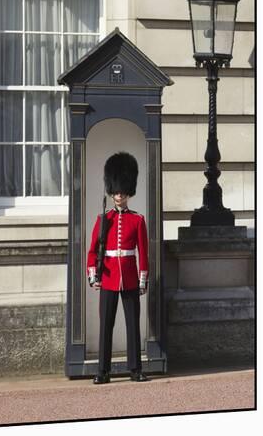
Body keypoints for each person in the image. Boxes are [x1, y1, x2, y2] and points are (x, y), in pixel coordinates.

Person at [87, 151, 149, 384]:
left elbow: (143, 251)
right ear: (111, 191)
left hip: (131, 277)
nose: (119, 195)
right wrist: (94, 276)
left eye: (122, 191)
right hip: (109, 277)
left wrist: (143, 279)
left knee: (133, 325)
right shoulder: (103, 220)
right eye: (115, 191)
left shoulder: (137, 220)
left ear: (128, 192)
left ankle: (135, 369)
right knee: (106, 326)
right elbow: (93, 250)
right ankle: (103, 371)